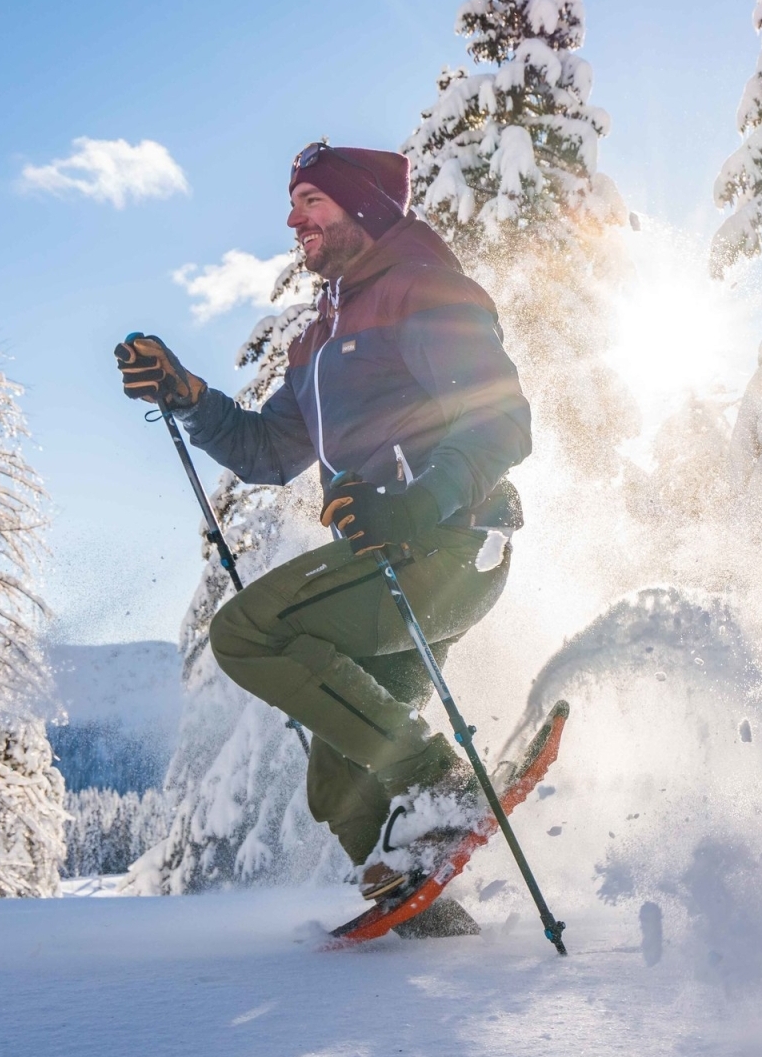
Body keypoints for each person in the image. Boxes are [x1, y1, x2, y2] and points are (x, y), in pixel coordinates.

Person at [115, 141, 530, 922]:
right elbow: (268, 449)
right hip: (389, 558)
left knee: (243, 632)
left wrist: (414, 503)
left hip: (449, 547)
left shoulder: (422, 288)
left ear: (362, 207)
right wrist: (188, 393)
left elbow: (502, 421)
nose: (292, 217)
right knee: (338, 788)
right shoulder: (320, 337)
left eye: (311, 200)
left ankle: (440, 780)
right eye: (294, 203)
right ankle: (428, 923)